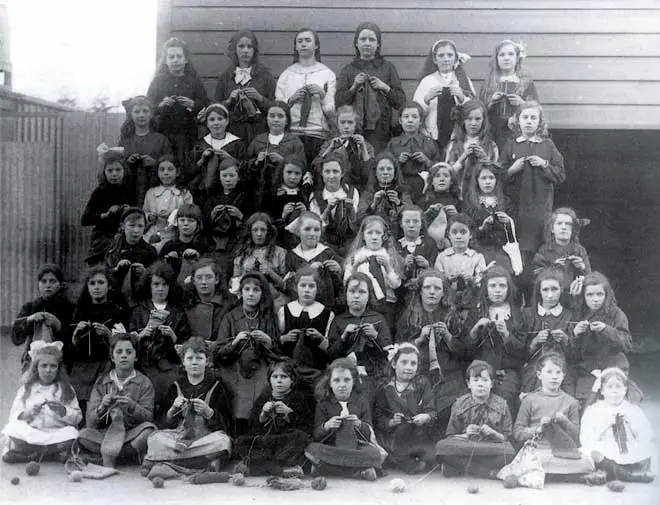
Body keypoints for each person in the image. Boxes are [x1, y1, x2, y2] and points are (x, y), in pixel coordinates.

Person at [143, 338, 233, 470]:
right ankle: (201, 461)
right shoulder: (175, 386)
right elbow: (163, 423)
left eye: (199, 358)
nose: (194, 363)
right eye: (190, 358)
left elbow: (227, 425)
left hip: (205, 437)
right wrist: (173, 409)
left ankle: (170, 461)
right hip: (179, 437)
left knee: (224, 441)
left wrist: (209, 413)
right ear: (183, 362)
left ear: (207, 361)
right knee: (154, 439)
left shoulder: (217, 387)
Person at [396, 269, 466, 429]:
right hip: (417, 369)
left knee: (448, 401)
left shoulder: (451, 315)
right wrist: (419, 339)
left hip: (447, 371)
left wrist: (448, 336)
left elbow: (464, 351)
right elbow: (397, 349)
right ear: (420, 291)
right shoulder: (408, 316)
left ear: (444, 293)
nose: (432, 292)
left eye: (437, 289)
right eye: (427, 288)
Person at [214, 272, 280, 435]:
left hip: (261, 366)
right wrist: (235, 342)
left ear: (262, 293)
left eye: (256, 290)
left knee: (264, 388)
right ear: (241, 293)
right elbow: (218, 352)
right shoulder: (230, 317)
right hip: (234, 367)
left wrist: (267, 340)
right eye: (247, 289)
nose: (251, 293)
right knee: (237, 392)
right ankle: (238, 435)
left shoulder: (267, 317)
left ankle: (257, 435)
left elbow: (278, 350)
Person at [499, 101, 565, 260]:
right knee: (519, 250)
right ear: (518, 121)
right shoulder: (511, 145)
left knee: (540, 247)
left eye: (533, 118)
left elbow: (560, 174)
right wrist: (512, 169)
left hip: (540, 208)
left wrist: (544, 164)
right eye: (525, 117)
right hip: (517, 207)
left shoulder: (547, 145)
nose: (529, 121)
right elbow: (498, 175)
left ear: (539, 122)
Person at [78, 333, 156, 468]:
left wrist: (132, 406)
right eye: (119, 352)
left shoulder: (144, 382)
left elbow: (148, 417)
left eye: (129, 352)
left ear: (136, 357)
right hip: (105, 434)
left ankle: (108, 454)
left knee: (149, 431)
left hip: (130, 434)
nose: (124, 355)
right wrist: (102, 407)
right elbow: (90, 422)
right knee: (82, 435)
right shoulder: (102, 382)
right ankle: (125, 456)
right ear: (112, 357)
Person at [513, 352, 594, 479]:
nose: (554, 377)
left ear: (563, 376)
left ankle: (547, 474)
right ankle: (567, 476)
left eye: (558, 372)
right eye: (549, 372)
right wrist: (537, 429)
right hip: (538, 449)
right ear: (539, 375)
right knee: (533, 460)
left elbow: (577, 436)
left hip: (563, 451)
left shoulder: (571, 402)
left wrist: (564, 421)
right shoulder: (530, 400)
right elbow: (517, 432)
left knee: (586, 463)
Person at [305, 358, 385, 481]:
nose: (342, 385)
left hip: (356, 447)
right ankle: (359, 472)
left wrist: (358, 424)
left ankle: (326, 468)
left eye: (347, 380)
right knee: (312, 448)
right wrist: (327, 425)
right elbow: (316, 434)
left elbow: (370, 433)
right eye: (336, 380)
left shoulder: (361, 402)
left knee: (374, 453)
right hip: (332, 446)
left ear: (353, 382)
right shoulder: (324, 404)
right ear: (330, 383)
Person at [129, 261, 191, 422]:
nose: (160, 288)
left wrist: (174, 337)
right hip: (143, 365)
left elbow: (186, 344)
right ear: (148, 286)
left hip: (169, 366)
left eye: (165, 284)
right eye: (156, 284)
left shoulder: (177, 312)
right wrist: (141, 334)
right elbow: (127, 343)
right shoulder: (139, 310)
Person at [2, 341, 82, 463]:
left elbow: (77, 417)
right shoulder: (27, 388)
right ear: (36, 368)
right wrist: (29, 413)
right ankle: (50, 453)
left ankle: (31, 453)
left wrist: (63, 411)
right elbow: (14, 415)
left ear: (58, 369)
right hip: (32, 433)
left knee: (72, 434)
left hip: (56, 433)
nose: (48, 370)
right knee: (12, 428)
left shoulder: (66, 388)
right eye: (44, 366)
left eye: (53, 366)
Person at [233, 360, 315, 476]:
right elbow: (252, 428)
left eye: (284, 376)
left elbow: (307, 427)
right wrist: (262, 415)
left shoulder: (299, 397)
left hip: (286, 440)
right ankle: (279, 470)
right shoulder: (263, 398)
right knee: (240, 441)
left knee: (299, 438)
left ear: (292, 380)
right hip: (268, 441)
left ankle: (260, 467)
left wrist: (289, 413)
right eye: (275, 377)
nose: (279, 380)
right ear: (270, 380)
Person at [435, 360, 515, 477]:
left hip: (490, 447)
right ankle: (488, 473)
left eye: (485, 380)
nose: (480, 384)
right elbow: (451, 435)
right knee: (441, 447)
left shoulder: (502, 404)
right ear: (468, 383)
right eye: (475, 380)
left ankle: (460, 468)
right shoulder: (459, 404)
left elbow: (506, 437)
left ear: (492, 383)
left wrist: (493, 433)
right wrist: (466, 434)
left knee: (509, 452)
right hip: (466, 447)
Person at [335, 22, 406, 152]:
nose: (367, 43)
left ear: (378, 44)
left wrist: (385, 87)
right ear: (356, 43)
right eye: (363, 39)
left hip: (381, 130)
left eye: (372, 40)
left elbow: (400, 101)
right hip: (353, 128)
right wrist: (354, 86)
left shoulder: (388, 68)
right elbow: (339, 101)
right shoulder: (348, 70)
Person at [580, 367, 656, 484]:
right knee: (594, 453)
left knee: (649, 448)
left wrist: (632, 424)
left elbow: (646, 435)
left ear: (625, 389)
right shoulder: (593, 410)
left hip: (628, 447)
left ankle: (612, 474)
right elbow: (586, 439)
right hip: (605, 447)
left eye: (618, 386)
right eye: (609, 387)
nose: (614, 391)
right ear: (602, 390)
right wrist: (604, 425)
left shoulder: (633, 410)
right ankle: (630, 476)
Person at [147, 37, 209, 178]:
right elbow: (148, 106)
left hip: (187, 136)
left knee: (184, 169)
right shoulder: (158, 81)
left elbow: (206, 104)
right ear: (166, 60)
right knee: (164, 169)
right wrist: (161, 105)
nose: (175, 60)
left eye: (179, 56)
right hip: (163, 135)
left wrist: (192, 104)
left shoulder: (193, 81)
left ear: (186, 59)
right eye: (171, 57)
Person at [69, 267, 126, 416]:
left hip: (105, 365)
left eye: (101, 282)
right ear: (87, 286)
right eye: (92, 283)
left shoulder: (117, 311)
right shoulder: (78, 311)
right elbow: (70, 349)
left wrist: (109, 335)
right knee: (79, 409)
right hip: (81, 367)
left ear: (109, 286)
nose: (96, 287)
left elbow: (124, 346)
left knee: (101, 405)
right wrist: (75, 336)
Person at [466, 265, 524, 411]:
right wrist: (476, 329)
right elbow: (465, 350)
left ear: (508, 288)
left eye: (502, 286)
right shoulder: (477, 311)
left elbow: (523, 352)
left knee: (504, 397)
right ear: (486, 288)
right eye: (493, 286)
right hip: (480, 369)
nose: (498, 290)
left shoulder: (517, 314)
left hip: (507, 370)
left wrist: (506, 334)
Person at [327, 273, 392, 403]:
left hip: (374, 373)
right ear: (346, 294)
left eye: (362, 292)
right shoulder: (339, 320)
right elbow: (331, 355)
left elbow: (389, 351)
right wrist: (344, 336)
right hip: (345, 373)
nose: (356, 296)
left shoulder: (377, 318)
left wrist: (375, 336)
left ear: (369, 295)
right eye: (352, 291)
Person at [275, 28, 336, 165]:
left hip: (318, 134)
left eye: (308, 40)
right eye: (300, 41)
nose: (303, 44)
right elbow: (278, 107)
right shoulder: (287, 75)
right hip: (292, 134)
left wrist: (322, 95)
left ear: (316, 45)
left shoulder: (327, 74)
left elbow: (331, 111)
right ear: (296, 47)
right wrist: (291, 100)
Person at [373, 343, 437, 474]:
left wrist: (425, 417)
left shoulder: (422, 383)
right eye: (404, 362)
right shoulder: (385, 386)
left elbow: (432, 410)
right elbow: (378, 415)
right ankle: (405, 461)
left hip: (417, 434)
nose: (408, 368)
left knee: (431, 453)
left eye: (413, 364)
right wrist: (391, 422)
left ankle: (405, 460)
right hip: (392, 435)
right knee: (393, 442)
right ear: (394, 364)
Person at [573, 272, 633, 406]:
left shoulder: (616, 314)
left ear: (606, 295)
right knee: (586, 403)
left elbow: (627, 345)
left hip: (614, 366)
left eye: (599, 294)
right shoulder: (578, 314)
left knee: (620, 401)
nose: (595, 299)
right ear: (583, 296)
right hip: (587, 370)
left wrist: (606, 330)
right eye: (590, 295)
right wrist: (575, 333)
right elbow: (572, 352)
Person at [214, 30, 277, 147]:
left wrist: (259, 98)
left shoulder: (265, 76)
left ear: (254, 50)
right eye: (241, 46)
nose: (245, 50)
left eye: (249, 47)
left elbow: (274, 107)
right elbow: (215, 108)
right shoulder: (226, 77)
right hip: (231, 131)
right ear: (235, 49)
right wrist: (229, 100)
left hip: (258, 131)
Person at [520, 269, 577, 396]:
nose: (550, 295)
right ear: (539, 291)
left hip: (562, 370)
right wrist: (535, 342)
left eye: (554, 289)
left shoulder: (569, 315)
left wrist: (565, 340)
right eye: (545, 290)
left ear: (561, 289)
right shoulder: (528, 314)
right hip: (534, 371)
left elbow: (576, 356)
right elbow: (519, 353)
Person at [413, 39, 475, 152]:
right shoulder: (427, 81)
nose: (446, 59)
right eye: (441, 55)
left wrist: (462, 98)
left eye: (450, 55)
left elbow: (475, 110)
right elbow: (414, 112)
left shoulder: (464, 81)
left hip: (457, 138)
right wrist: (426, 99)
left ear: (455, 58)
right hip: (432, 138)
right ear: (435, 59)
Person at [343, 216, 403, 332]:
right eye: (370, 233)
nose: (374, 237)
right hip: (364, 305)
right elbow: (346, 282)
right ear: (363, 236)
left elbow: (396, 285)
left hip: (387, 305)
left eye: (378, 233)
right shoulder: (357, 255)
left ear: (385, 236)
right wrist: (355, 266)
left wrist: (388, 267)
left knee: (385, 331)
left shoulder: (390, 255)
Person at [278, 267, 334, 388]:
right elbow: (277, 340)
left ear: (318, 289)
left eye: (311, 286)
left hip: (317, 370)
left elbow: (331, 347)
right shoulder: (285, 311)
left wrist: (320, 339)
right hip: (290, 370)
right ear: (295, 287)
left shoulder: (326, 313)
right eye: (303, 286)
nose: (306, 290)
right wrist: (285, 338)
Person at [11, 264, 74, 372]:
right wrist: (29, 320)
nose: (47, 285)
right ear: (38, 284)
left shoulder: (70, 308)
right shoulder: (30, 307)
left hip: (61, 365)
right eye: (43, 281)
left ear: (60, 284)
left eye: (52, 281)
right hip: (33, 364)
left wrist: (58, 326)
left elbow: (74, 343)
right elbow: (16, 339)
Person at [82, 144, 136, 266]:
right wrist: (105, 214)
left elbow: (137, 213)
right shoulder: (99, 192)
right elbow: (85, 219)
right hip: (103, 236)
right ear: (104, 172)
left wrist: (130, 211)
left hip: (126, 235)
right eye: (110, 171)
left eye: (118, 170)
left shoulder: (130, 191)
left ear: (125, 170)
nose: (114, 174)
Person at [246, 101, 307, 208]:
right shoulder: (258, 140)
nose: (276, 119)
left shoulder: (294, 142)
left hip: (286, 194)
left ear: (287, 120)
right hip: (259, 191)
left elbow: (302, 166)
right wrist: (257, 161)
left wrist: (284, 162)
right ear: (267, 119)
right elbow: (246, 165)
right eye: (272, 116)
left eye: (280, 116)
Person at [479, 40, 539, 149]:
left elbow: (535, 108)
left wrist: (522, 103)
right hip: (493, 130)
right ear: (496, 59)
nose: (506, 58)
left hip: (518, 129)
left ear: (517, 58)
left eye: (511, 54)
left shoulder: (526, 83)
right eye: (502, 55)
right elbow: (479, 109)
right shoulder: (489, 82)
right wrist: (491, 102)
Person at [203, 156, 251, 290]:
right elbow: (204, 226)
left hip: (236, 241)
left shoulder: (244, 197)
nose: (228, 179)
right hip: (215, 242)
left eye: (231, 175)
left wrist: (240, 215)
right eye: (224, 176)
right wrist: (212, 216)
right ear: (219, 177)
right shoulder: (213, 198)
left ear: (239, 177)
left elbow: (252, 221)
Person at [117, 95, 173, 205]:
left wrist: (155, 163)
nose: (141, 115)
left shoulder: (161, 139)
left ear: (151, 114)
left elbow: (171, 165)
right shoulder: (124, 141)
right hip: (129, 190)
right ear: (131, 115)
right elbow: (117, 165)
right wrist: (128, 163)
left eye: (145, 111)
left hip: (155, 189)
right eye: (137, 112)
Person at [462, 163, 515, 276]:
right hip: (477, 248)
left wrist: (508, 222)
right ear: (477, 181)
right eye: (483, 178)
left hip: (501, 249)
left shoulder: (506, 201)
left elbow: (513, 235)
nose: (487, 182)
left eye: (491, 178)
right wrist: (482, 227)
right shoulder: (470, 202)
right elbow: (466, 229)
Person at [283, 211, 344, 311]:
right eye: (307, 229)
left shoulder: (327, 252)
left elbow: (340, 281)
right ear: (298, 231)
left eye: (316, 230)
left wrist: (339, 270)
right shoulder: (292, 255)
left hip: (326, 305)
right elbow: (289, 285)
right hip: (301, 306)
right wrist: (308, 270)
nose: (312, 233)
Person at [230, 213, 288, 311]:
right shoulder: (241, 256)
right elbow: (234, 289)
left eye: (263, 230)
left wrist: (271, 272)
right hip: (249, 304)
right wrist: (244, 274)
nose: (259, 234)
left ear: (269, 232)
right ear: (250, 232)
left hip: (275, 303)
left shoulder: (280, 253)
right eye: (255, 230)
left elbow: (287, 286)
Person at [532, 207, 591, 302]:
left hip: (574, 299)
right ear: (552, 229)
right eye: (559, 223)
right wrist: (553, 268)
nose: (564, 227)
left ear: (572, 229)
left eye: (568, 224)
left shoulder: (579, 250)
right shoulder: (544, 250)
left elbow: (590, 279)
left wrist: (582, 267)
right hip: (551, 299)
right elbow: (536, 278)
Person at [191, 103, 247, 204]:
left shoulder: (237, 143)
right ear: (207, 123)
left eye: (220, 119)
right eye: (212, 120)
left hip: (231, 193)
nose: (216, 123)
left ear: (227, 121)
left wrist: (230, 158)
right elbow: (191, 170)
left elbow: (245, 168)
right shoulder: (201, 144)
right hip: (204, 192)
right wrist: (202, 160)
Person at [311, 105, 374, 192]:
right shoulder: (329, 144)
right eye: (342, 122)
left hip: (358, 189)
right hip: (333, 188)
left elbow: (369, 173)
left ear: (356, 124)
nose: (346, 126)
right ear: (337, 124)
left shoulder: (366, 146)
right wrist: (330, 149)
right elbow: (316, 168)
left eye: (350, 122)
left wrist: (363, 147)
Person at [386, 101, 439, 203]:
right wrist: (397, 161)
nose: (410, 120)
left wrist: (426, 161)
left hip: (424, 189)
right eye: (406, 117)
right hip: (399, 188)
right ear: (400, 120)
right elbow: (384, 166)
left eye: (414, 117)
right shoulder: (393, 143)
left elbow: (439, 167)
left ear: (420, 121)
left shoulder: (429, 142)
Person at [309, 150, 360, 256]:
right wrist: (328, 209)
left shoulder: (351, 191)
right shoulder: (316, 196)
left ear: (342, 173)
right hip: (325, 243)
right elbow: (317, 226)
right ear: (322, 173)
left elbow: (354, 222)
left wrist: (350, 209)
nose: (331, 176)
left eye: (335, 171)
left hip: (348, 242)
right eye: (327, 172)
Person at [105, 208, 158, 308]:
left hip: (141, 302)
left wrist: (145, 273)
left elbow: (157, 280)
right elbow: (105, 273)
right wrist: (117, 269)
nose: (136, 230)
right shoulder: (113, 249)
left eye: (140, 226)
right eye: (131, 225)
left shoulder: (150, 251)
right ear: (123, 227)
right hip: (116, 301)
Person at [444, 99, 499, 198]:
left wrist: (485, 159)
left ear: (484, 120)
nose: (473, 123)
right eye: (469, 119)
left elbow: (495, 174)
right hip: (458, 195)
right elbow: (447, 173)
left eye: (478, 119)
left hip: (482, 196)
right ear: (463, 120)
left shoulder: (491, 145)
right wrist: (461, 159)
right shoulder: (454, 144)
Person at [143, 158, 194, 252]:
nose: (166, 173)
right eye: (162, 169)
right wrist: (150, 217)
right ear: (157, 172)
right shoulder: (151, 193)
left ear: (177, 172)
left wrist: (173, 215)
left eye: (170, 169)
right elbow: (145, 211)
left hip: (174, 236)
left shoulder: (184, 194)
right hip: (152, 234)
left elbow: (190, 213)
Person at [357, 152, 412, 234]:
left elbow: (412, 217)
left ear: (395, 172)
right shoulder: (368, 193)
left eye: (389, 169)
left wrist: (398, 203)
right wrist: (373, 205)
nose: (385, 172)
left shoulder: (403, 192)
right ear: (375, 172)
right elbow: (359, 220)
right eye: (381, 169)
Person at [184, 258, 235, 341]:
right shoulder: (188, 304)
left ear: (217, 280)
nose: (203, 282)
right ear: (193, 281)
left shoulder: (229, 305)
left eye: (208, 277)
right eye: (199, 277)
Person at [160, 203, 212, 284]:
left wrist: (197, 257)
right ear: (177, 222)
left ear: (197, 225)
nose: (186, 224)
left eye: (191, 221)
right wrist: (167, 260)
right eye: (182, 220)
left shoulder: (203, 246)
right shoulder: (169, 246)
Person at [395, 207, 439, 293]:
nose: (411, 225)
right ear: (401, 224)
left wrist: (427, 265)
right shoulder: (396, 246)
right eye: (407, 221)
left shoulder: (430, 244)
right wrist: (403, 265)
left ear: (421, 224)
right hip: (401, 294)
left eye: (415, 221)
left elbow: (437, 270)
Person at [434, 213, 487, 284]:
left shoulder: (477, 257)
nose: (458, 236)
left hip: (471, 293)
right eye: (454, 232)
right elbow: (437, 280)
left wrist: (472, 279)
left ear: (470, 234)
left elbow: (482, 281)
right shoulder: (442, 257)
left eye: (463, 232)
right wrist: (448, 279)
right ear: (449, 235)